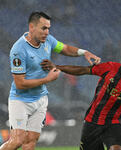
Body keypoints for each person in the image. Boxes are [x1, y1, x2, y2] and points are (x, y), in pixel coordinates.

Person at [0, 11, 100, 150]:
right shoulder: (18, 50)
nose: (47, 32)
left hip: (40, 100)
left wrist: (84, 52)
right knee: (17, 140)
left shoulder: (48, 40)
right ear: (31, 27)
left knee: (31, 141)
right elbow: (20, 84)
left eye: (48, 28)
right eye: (43, 28)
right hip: (21, 100)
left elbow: (65, 48)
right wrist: (47, 79)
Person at [41, 49, 121, 150]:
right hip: (92, 121)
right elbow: (83, 70)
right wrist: (58, 67)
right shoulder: (109, 68)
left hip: (115, 123)